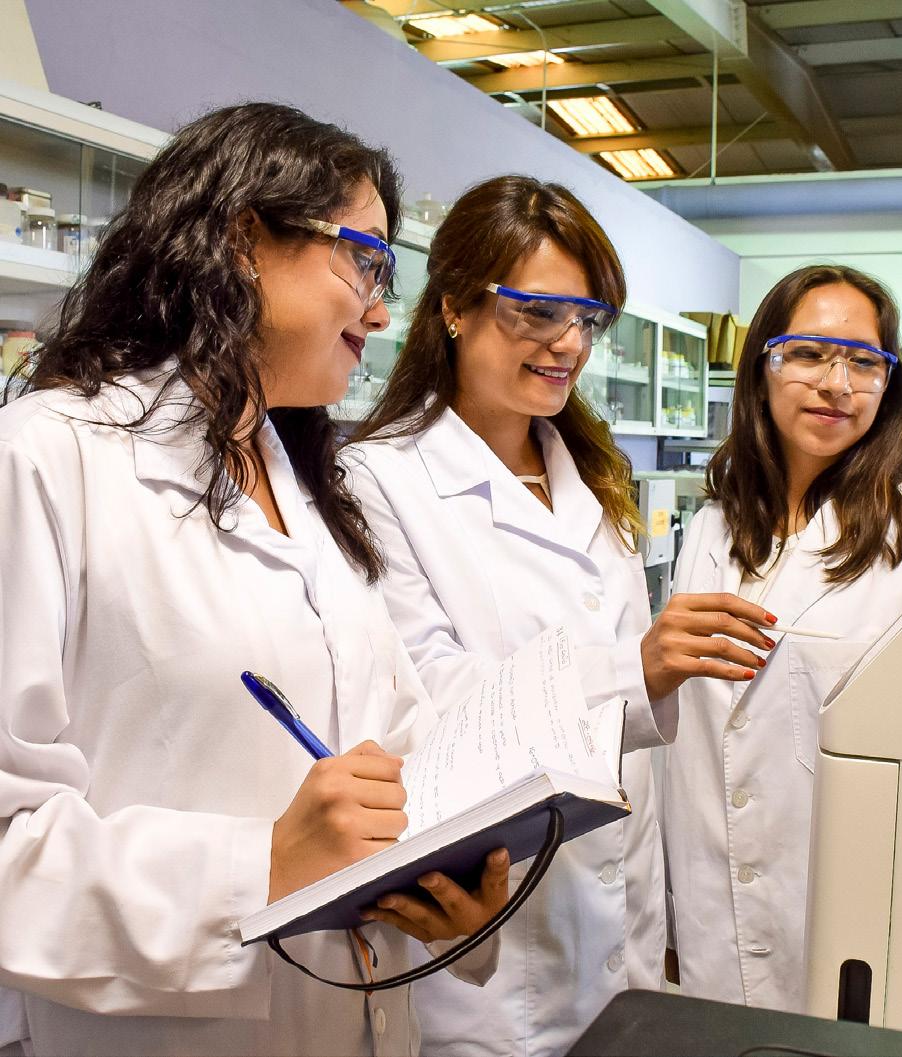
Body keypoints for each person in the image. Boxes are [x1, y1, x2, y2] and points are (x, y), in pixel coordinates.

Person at [0, 102, 509, 1057]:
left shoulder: (309, 488)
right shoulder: (45, 458)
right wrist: (261, 866)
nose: (381, 311)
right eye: (365, 261)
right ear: (242, 241)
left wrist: (443, 874)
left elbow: (390, 739)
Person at [347, 175, 773, 1057]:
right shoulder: (380, 479)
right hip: (494, 959)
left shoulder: (591, 472)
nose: (569, 343)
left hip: (621, 933)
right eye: (538, 311)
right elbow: (428, 702)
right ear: (454, 307)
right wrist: (634, 671)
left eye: (587, 318)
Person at [657, 263, 902, 1014]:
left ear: (889, 384)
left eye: (864, 361)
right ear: (762, 367)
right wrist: (667, 913)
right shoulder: (715, 526)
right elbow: (688, 739)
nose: (837, 384)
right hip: (708, 913)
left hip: (845, 921)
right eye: (810, 354)